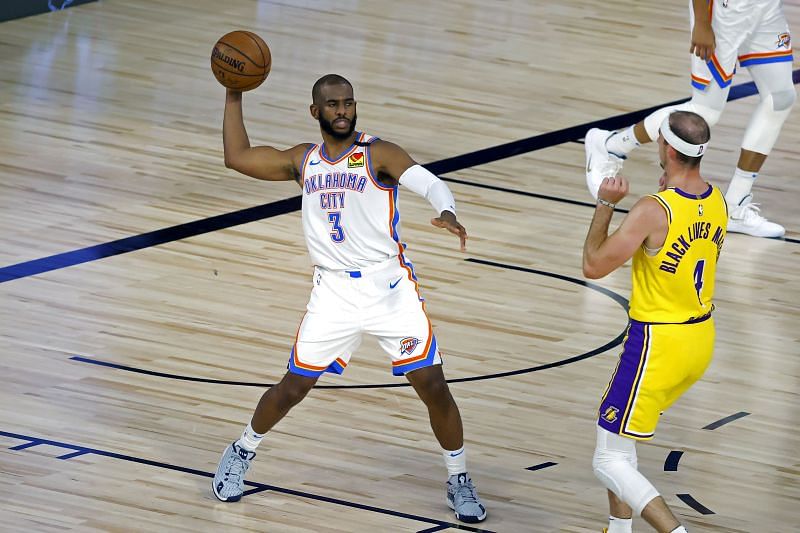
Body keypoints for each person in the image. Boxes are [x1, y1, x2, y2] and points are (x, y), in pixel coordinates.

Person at [211, 74, 487, 524]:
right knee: (293, 388)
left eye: (348, 103)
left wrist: (448, 210)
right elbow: (236, 158)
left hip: (389, 289)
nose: (342, 110)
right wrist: (234, 91)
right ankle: (242, 450)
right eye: (333, 104)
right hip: (334, 293)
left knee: (433, 386)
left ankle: (458, 478)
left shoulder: (378, 153)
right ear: (315, 112)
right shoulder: (304, 161)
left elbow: (430, 182)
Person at [582, 111, 727, 533]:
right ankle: (619, 529)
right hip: (699, 340)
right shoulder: (717, 201)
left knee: (607, 458)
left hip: (657, 343)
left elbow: (593, 265)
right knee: (618, 432)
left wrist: (606, 204)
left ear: (665, 148)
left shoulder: (652, 209)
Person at [585, 0, 795, 238]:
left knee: (780, 98)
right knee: (705, 111)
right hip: (723, 13)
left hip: (765, 8)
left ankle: (735, 206)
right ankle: (611, 145)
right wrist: (702, 22)